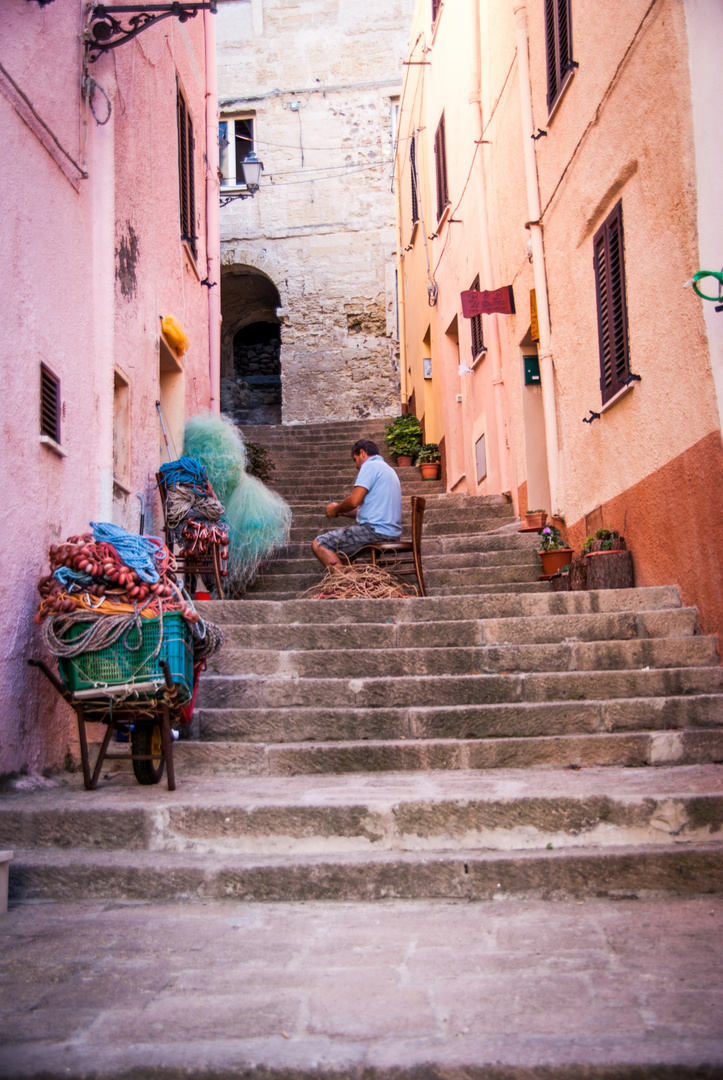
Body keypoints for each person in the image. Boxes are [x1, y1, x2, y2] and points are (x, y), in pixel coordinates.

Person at [311, 439, 402, 573]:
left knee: (320, 544)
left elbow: (354, 501)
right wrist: (341, 512)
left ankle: (344, 586)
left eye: (355, 460)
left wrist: (335, 508)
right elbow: (367, 509)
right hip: (390, 533)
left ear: (362, 453)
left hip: (375, 532)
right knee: (343, 553)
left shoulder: (370, 466)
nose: (356, 466)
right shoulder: (388, 469)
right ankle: (353, 586)